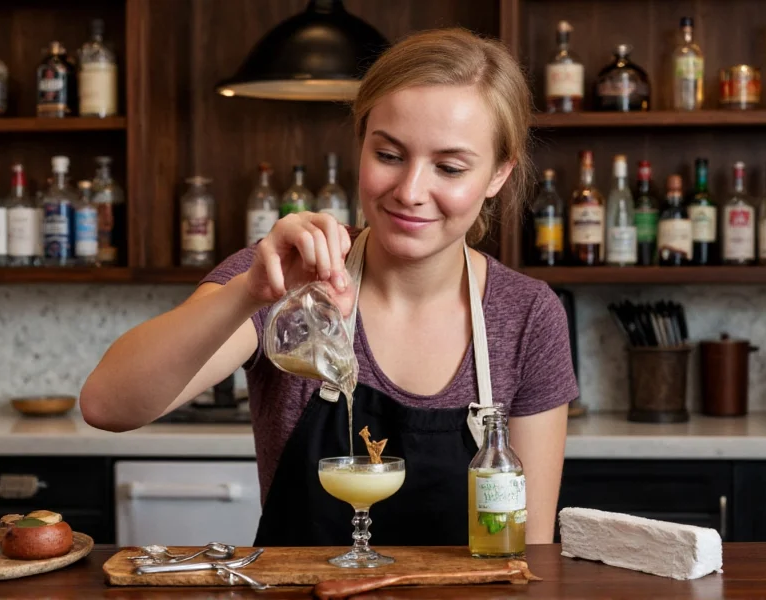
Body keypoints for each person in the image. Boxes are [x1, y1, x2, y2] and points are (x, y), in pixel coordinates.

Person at [80, 27, 578, 546]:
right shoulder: (281, 273)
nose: (410, 191)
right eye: (388, 155)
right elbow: (107, 406)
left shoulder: (527, 315)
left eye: (449, 167)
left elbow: (530, 551)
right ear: (361, 144)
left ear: (499, 174)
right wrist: (251, 291)